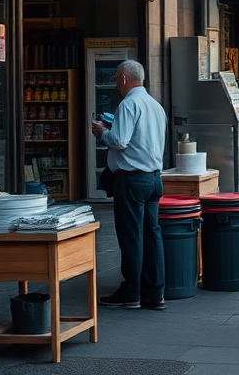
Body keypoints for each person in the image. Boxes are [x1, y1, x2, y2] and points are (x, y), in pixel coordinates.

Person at [90, 59, 167, 310]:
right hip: (154, 178)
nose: (116, 84)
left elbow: (120, 141)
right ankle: (155, 293)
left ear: (123, 79)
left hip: (132, 179)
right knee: (152, 235)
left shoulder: (128, 104)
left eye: (116, 79)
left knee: (131, 237)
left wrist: (102, 131)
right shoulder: (156, 106)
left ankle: (132, 291)